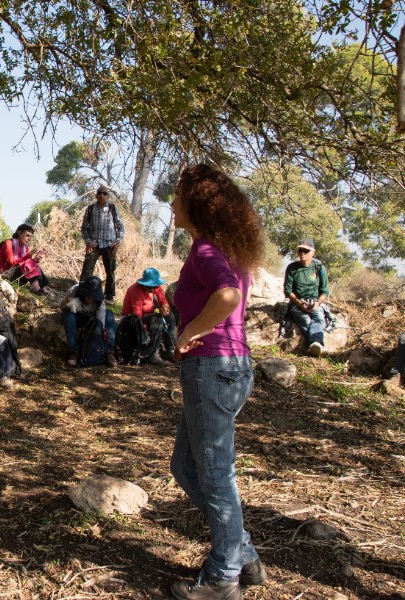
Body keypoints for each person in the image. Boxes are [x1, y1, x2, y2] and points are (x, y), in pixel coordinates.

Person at [169, 164, 266, 599]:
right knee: (187, 467)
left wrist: (192, 331)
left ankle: (222, 577)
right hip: (231, 366)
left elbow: (228, 297)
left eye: (177, 196)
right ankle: (241, 552)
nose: (171, 203)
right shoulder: (226, 251)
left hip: (212, 367)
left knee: (214, 474)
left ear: (195, 204)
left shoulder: (207, 250)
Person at [283, 238, 331, 357]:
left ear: (313, 253)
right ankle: (317, 344)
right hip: (297, 302)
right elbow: (288, 290)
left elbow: (325, 291)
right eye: (300, 250)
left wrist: (318, 303)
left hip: (315, 301)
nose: (302, 253)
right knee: (305, 320)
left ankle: (315, 344)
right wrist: (299, 303)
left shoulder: (319, 268)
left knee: (319, 318)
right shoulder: (292, 268)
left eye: (306, 251)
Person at [120, 267, 175, 366]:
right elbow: (137, 316)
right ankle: (153, 354)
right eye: (150, 287)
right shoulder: (135, 290)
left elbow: (164, 302)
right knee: (157, 319)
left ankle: (171, 349)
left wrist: (164, 309)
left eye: (155, 286)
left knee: (170, 316)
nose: (153, 289)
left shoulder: (156, 287)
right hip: (132, 320)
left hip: (149, 316)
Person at [59, 275, 118, 367]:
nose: (90, 298)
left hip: (92, 321)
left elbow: (101, 319)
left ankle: (109, 351)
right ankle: (73, 351)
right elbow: (61, 307)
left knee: (109, 314)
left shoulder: (100, 300)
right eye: (88, 295)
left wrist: (99, 332)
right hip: (77, 317)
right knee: (68, 314)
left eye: (93, 296)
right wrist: (68, 305)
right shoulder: (74, 290)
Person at [80, 185, 125, 302]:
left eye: (104, 193)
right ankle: (82, 293)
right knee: (87, 269)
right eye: (99, 193)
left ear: (108, 196)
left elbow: (120, 227)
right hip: (94, 244)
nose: (102, 195)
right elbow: (84, 228)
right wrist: (88, 241)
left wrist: (118, 241)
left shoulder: (112, 208)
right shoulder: (90, 209)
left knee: (110, 271)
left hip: (110, 244)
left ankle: (109, 296)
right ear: (96, 195)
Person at [0, 224, 53, 296]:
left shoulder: (25, 248)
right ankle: (37, 290)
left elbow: (28, 267)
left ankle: (44, 289)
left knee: (34, 264)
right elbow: (12, 263)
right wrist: (29, 256)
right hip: (6, 275)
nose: (29, 239)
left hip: (19, 277)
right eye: (27, 235)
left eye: (31, 236)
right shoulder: (8, 243)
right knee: (30, 262)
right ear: (19, 233)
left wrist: (35, 259)